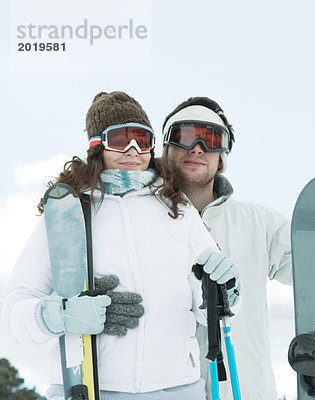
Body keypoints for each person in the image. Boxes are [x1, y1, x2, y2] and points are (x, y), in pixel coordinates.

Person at [1, 91, 240, 400]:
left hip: (177, 388)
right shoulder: (69, 213)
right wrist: (60, 314)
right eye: (120, 140)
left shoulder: (177, 208)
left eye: (142, 139)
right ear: (97, 146)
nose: (133, 150)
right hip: (89, 387)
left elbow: (210, 308)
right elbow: (13, 315)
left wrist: (226, 290)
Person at [161, 96, 315, 399]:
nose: (198, 147)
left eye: (211, 138)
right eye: (185, 136)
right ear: (165, 149)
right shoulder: (143, 222)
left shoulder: (259, 223)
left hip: (247, 391)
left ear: (222, 155)